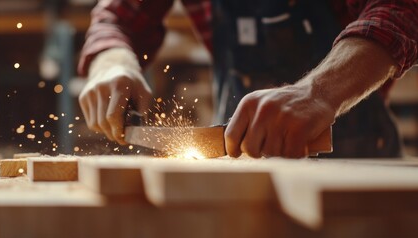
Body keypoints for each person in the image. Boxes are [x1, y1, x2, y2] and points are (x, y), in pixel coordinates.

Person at [78, 0, 418, 158]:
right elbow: (116, 18)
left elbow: (402, 9)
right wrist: (112, 62)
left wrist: (318, 94)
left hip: (358, 166)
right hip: (242, 161)